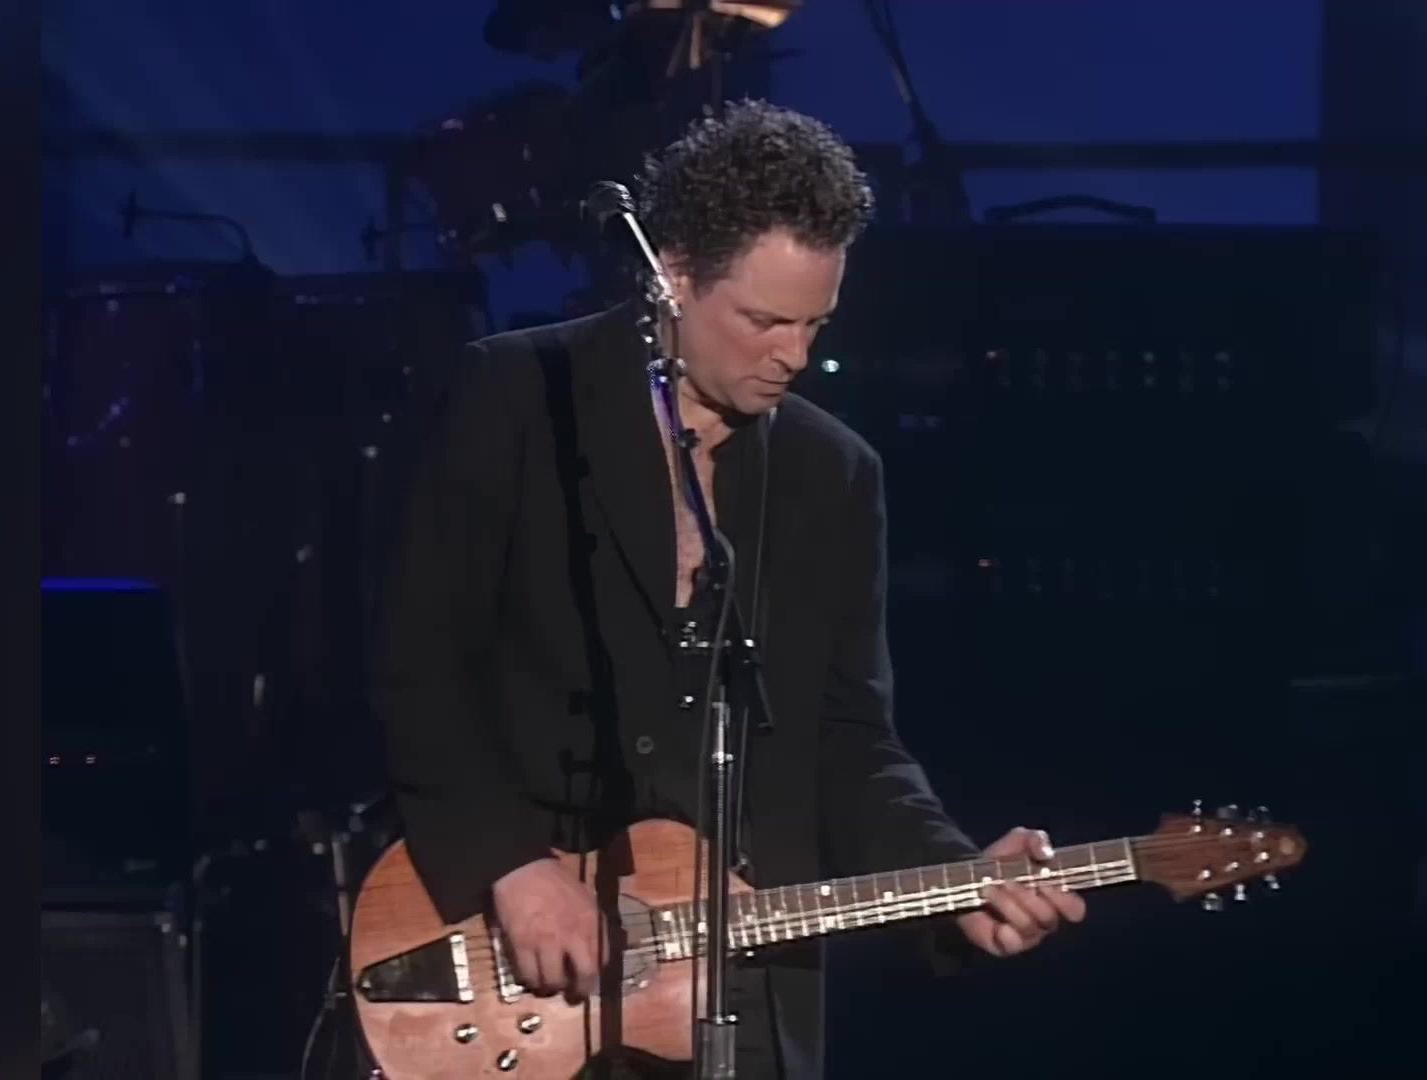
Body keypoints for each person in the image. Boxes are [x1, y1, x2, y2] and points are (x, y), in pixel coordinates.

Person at [372, 99, 1085, 1079]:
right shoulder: (519, 395)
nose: (794, 355)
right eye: (764, 321)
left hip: (738, 996)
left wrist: (954, 874)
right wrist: (511, 864)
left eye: (816, 323)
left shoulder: (835, 474)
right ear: (671, 275)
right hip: (523, 970)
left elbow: (850, 738)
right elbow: (419, 665)